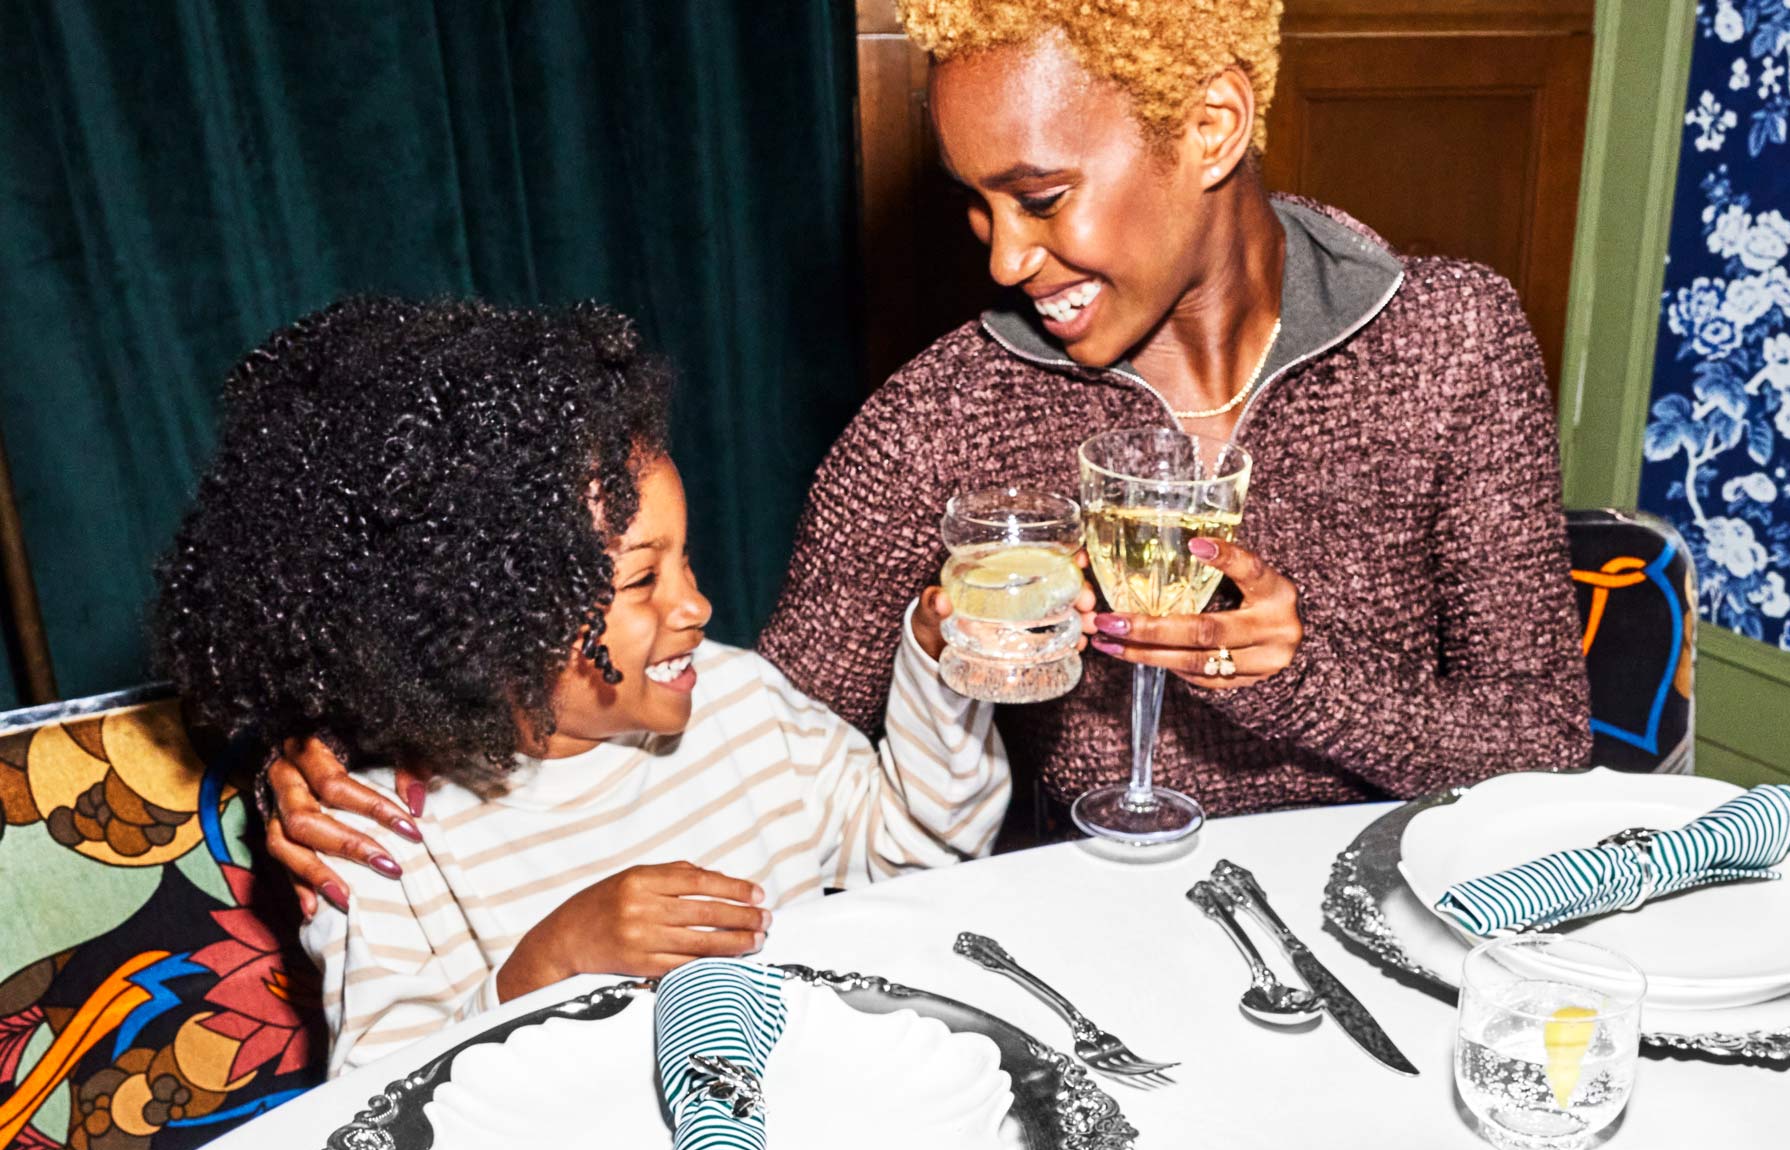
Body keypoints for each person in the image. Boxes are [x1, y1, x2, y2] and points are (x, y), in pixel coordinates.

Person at [259, 0, 1588, 897]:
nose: (1007, 261)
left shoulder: (1452, 338)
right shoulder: (935, 418)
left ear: (1213, 129)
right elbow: (741, 734)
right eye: (976, 207)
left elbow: (1543, 757)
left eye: (1043, 198)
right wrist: (385, 748)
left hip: (1392, 917)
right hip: (1086, 956)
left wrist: (1296, 682)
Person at [152, 297, 1009, 1073]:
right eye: (642, 582)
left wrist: (938, 667)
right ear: (493, 625)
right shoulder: (388, 844)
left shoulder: (742, 707)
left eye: (687, 560)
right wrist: (548, 964)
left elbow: (921, 850)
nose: (698, 604)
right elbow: (381, 1106)